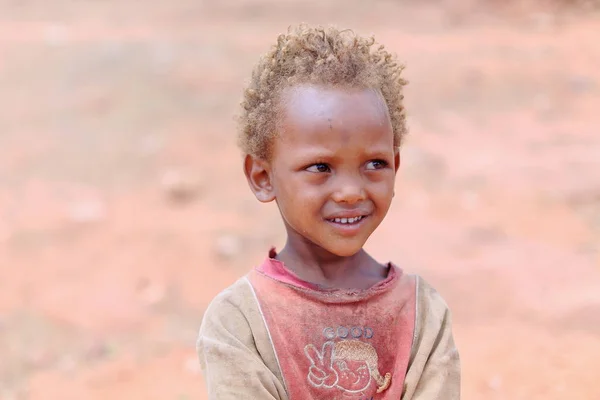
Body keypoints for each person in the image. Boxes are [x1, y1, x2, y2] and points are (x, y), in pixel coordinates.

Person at [197, 24, 460, 399]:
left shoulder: (423, 314)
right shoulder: (240, 321)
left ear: (396, 166)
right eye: (321, 167)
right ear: (262, 177)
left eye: (374, 163)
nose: (352, 192)